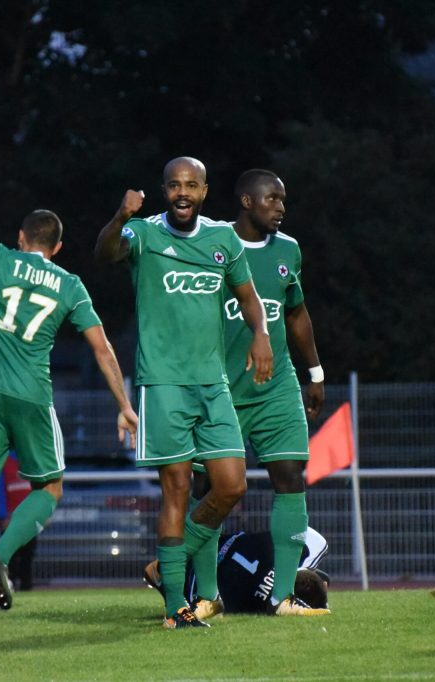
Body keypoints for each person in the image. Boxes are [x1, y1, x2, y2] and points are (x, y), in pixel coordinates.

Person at [0, 208, 138, 612]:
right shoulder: (70, 286)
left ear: (21, 237)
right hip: (31, 397)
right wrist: (124, 405)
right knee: (51, 488)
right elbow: (101, 348)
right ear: (57, 248)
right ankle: (1, 556)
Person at [94, 156, 273, 629]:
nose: (182, 193)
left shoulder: (223, 239)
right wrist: (120, 216)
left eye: (191, 185)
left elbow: (249, 297)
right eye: (174, 185)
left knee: (232, 484)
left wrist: (262, 334)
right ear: (164, 189)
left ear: (204, 191)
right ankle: (176, 603)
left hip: (212, 384)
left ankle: (167, 564)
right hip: (163, 384)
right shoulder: (145, 233)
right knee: (175, 490)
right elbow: (105, 253)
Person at [192, 169, 329, 617]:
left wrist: (316, 372)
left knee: (291, 478)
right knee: (210, 489)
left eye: (284, 200)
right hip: (221, 390)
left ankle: (283, 596)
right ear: (246, 201)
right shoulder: (211, 245)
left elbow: (296, 313)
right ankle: (206, 593)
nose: (281, 207)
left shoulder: (288, 250)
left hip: (277, 387)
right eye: (273, 199)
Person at [143, 527, 331, 615]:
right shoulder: (251, 606)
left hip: (218, 541)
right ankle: (162, 572)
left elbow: (313, 536)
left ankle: (164, 569)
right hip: (199, 577)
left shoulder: (294, 553)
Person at [0, 451, 37, 591]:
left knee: (28, 556)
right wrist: (3, 515)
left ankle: (26, 587)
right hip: (10, 521)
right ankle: (8, 586)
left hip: (29, 520)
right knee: (9, 556)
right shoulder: (4, 463)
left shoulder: (32, 461)